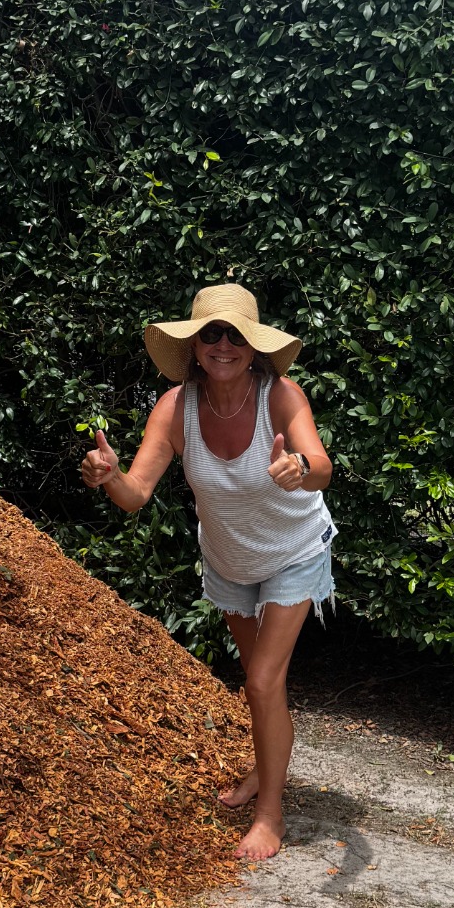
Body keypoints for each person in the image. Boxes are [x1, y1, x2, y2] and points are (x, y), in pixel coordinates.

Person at [80, 284, 335, 862]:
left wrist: (299, 468)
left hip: (294, 549)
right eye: (212, 334)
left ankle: (270, 812)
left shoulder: (281, 396)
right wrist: (108, 476)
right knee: (257, 679)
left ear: (254, 347)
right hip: (229, 560)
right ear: (194, 346)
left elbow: (320, 465)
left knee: (264, 682)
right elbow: (136, 493)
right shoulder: (174, 409)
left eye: (237, 335)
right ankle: (262, 770)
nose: (224, 344)